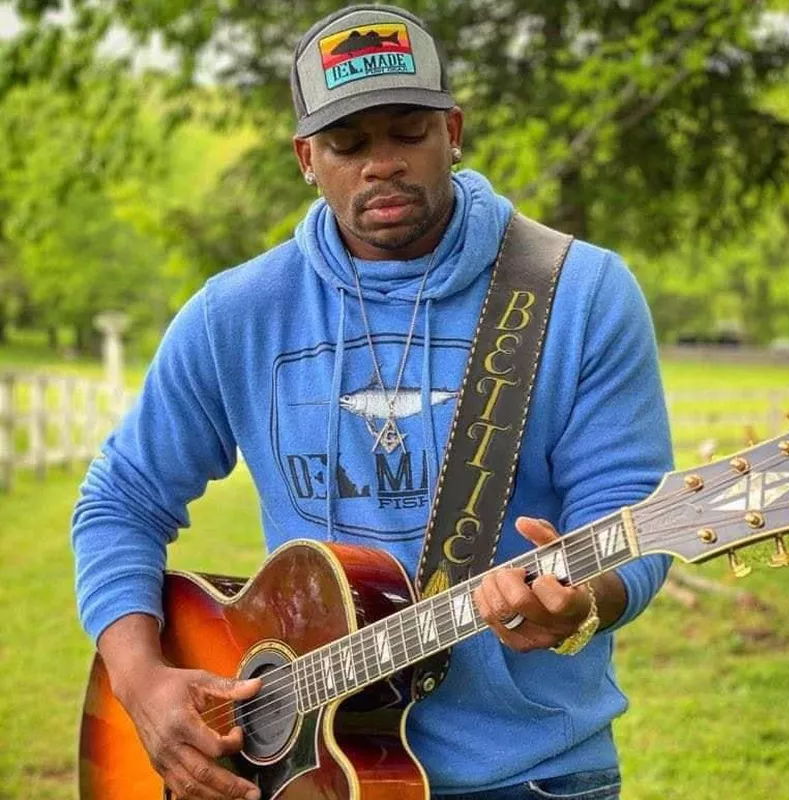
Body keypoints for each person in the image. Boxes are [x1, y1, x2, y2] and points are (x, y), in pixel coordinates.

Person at [71, 4, 672, 800]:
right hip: (301, 773)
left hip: (531, 774)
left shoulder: (578, 292)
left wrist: (585, 599)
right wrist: (141, 679)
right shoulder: (238, 314)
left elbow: (631, 511)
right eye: (347, 144)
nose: (380, 164)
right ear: (305, 158)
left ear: (452, 131)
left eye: (407, 133)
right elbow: (120, 497)